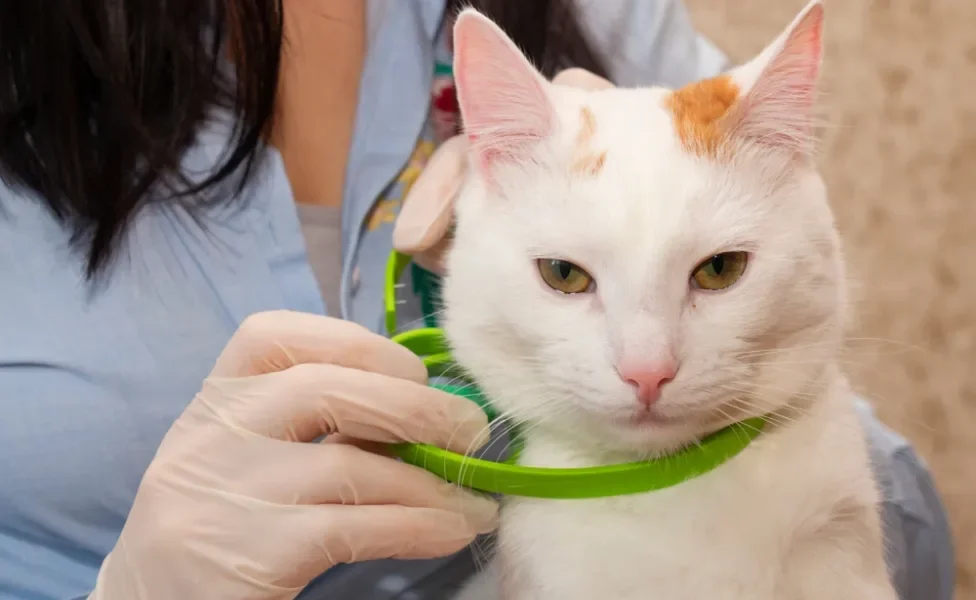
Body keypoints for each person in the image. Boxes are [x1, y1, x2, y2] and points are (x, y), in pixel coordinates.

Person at [0, 1, 953, 599]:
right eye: (567, 275)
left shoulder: (593, 15)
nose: (647, 363)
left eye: (712, 275)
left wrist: (799, 515)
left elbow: (910, 520)